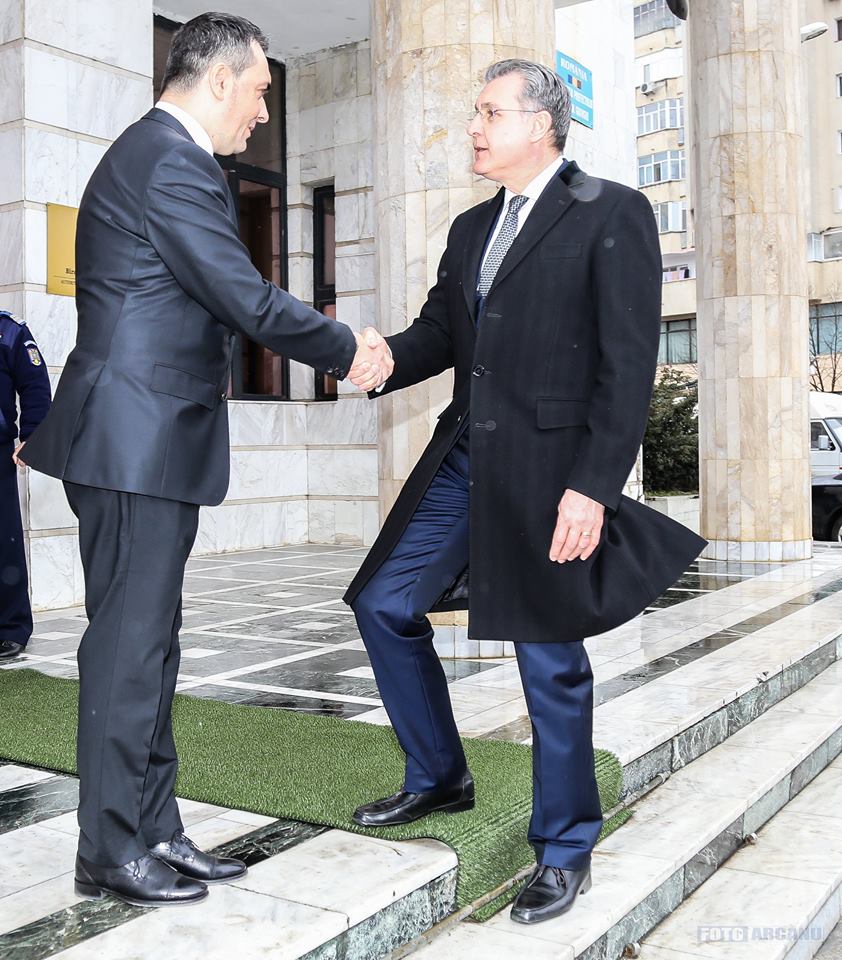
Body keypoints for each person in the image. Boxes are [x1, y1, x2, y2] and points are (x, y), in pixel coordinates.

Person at [22, 12, 392, 908]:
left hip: (145, 439)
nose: (263, 111)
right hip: (134, 440)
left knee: (151, 646)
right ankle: (110, 849)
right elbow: (241, 294)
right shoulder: (167, 159)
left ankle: (153, 829)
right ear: (219, 79)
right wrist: (347, 348)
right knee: (129, 650)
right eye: (260, 90)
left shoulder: (165, 159)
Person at [344, 59, 705, 925]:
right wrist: (384, 358)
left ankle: (567, 846)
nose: (474, 127)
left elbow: (627, 366)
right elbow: (442, 332)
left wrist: (593, 488)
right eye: (475, 112)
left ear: (541, 124)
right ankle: (439, 774)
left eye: (489, 112)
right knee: (383, 603)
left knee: (549, 658)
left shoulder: (612, 210)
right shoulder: (471, 226)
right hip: (464, 457)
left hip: (553, 474)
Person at [0, 310, 51, 661]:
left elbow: (35, 383)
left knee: (4, 543)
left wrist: (32, 436)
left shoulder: (9, 331)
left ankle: (11, 628)